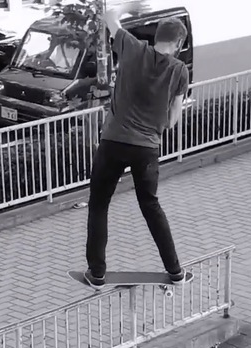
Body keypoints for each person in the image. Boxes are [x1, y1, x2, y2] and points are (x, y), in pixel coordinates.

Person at [84, 2, 190, 289]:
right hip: (146, 149)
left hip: (113, 141)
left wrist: (131, 4)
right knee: (151, 205)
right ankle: (176, 271)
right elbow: (171, 121)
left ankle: (97, 273)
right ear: (179, 42)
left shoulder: (132, 47)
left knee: (99, 205)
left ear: (156, 36)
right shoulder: (180, 71)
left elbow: (109, 16)